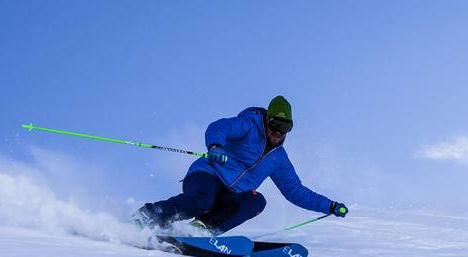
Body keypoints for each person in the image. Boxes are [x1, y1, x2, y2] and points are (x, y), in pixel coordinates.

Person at [135, 96, 348, 234]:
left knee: (257, 201)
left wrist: (328, 206)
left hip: (231, 193)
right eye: (275, 124)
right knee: (202, 201)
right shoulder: (248, 125)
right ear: (267, 120)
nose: (278, 132)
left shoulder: (279, 158)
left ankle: (202, 229)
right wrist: (216, 146)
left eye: (285, 127)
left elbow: (295, 191)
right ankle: (150, 215)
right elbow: (221, 126)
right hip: (208, 175)